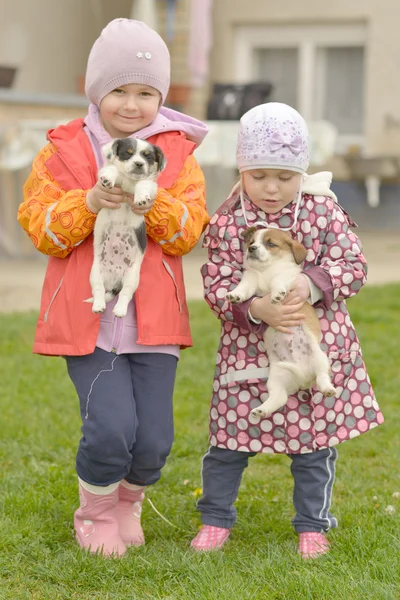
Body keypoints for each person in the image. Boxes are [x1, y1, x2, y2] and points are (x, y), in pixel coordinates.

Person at [18, 18, 209, 557]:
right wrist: (88, 203)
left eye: (146, 93)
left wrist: (157, 201)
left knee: (153, 442)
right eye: (119, 90)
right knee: (109, 430)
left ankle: (127, 502)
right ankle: (96, 513)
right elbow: (40, 227)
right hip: (89, 318)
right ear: (96, 90)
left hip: (155, 322)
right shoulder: (63, 150)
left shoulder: (178, 156)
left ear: (161, 96)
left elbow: (189, 231)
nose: (132, 103)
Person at [190, 102, 384, 559]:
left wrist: (311, 283)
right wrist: (254, 308)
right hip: (247, 353)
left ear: (302, 171)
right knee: (229, 442)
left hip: (312, 342)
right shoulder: (228, 221)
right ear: (242, 170)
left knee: (313, 447)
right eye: (259, 176)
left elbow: (354, 266)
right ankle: (215, 518)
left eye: (284, 176)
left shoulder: (323, 213)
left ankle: (313, 525)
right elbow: (216, 284)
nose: (271, 188)